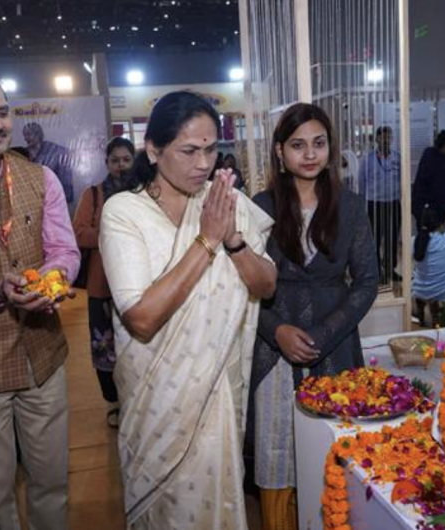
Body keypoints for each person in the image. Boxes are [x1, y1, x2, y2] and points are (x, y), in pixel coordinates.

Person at [99, 91, 277, 529]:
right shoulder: (124, 212)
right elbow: (141, 317)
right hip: (157, 401)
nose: (204, 163)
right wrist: (208, 240)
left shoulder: (220, 202)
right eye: (190, 150)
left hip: (215, 388)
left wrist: (233, 240)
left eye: (212, 149)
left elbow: (267, 285)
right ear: (154, 150)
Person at [0, 70, 80, 530]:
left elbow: (65, 251)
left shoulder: (39, 176)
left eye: (2, 112)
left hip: (42, 355)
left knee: (52, 482)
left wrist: (51, 280)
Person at [250, 103, 378, 530]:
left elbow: (365, 283)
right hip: (273, 347)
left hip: (336, 344)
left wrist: (323, 333)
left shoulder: (352, 206)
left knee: (334, 447)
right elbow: (244, 285)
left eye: (319, 144)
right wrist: (276, 331)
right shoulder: (260, 207)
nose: (310, 155)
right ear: (280, 152)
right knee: (276, 451)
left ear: (330, 149)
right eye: (298, 145)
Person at [73, 136, 135, 427]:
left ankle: (135, 401)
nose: (120, 165)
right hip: (102, 287)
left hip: (138, 286)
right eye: (115, 160)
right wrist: (113, 233)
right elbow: (78, 233)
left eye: (125, 159)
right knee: (104, 349)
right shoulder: (94, 195)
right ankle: (113, 402)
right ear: (106, 163)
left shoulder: (143, 192)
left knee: (136, 347)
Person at [358, 125, 402, 283]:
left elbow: (403, 180)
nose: (386, 140)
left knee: (392, 239)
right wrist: (363, 204)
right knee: (374, 239)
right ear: (376, 139)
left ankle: (391, 269)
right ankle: (376, 272)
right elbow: (361, 182)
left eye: (388, 136)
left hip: (393, 203)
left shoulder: (398, 157)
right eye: (382, 136)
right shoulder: (367, 159)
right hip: (374, 205)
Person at [412, 129, 445, 222]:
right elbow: (440, 196)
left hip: (422, 207)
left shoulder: (429, 153)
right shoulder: (440, 166)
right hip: (430, 212)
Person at [23, 121, 75, 204]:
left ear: (38, 135)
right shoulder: (23, 153)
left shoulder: (57, 152)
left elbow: (67, 189)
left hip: (54, 203)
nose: (26, 138)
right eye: (25, 135)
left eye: (29, 134)